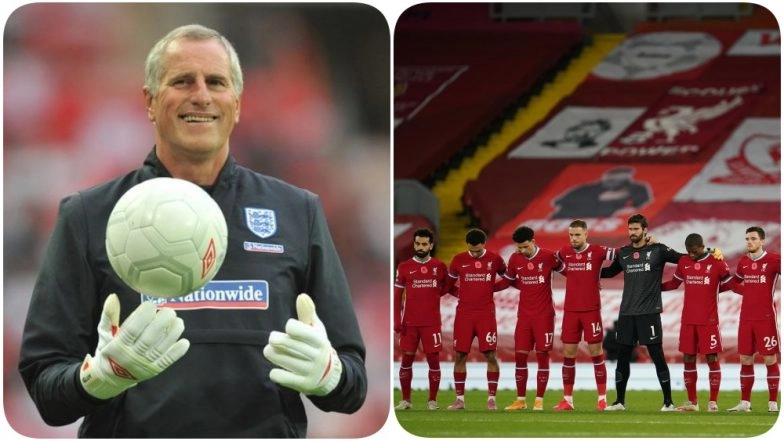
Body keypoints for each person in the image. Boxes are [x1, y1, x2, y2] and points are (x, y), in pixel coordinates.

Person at [16, 24, 367, 438]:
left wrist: (329, 375)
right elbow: (45, 388)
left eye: (216, 82)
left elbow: (353, 385)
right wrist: (98, 379)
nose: (200, 95)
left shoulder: (296, 211)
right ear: (149, 101)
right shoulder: (88, 216)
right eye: (182, 81)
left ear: (236, 104)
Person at [600, 213, 722, 412]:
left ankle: (668, 403)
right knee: (622, 357)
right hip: (627, 312)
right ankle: (619, 402)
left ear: (645, 230)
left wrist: (710, 251)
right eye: (630, 229)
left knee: (657, 356)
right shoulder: (624, 253)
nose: (632, 233)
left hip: (649, 312)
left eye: (636, 229)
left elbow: (685, 257)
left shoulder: (658, 250)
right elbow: (609, 272)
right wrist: (588, 272)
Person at [661, 233, 733, 412]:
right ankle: (692, 402)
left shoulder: (717, 262)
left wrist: (750, 289)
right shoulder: (684, 262)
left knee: (711, 358)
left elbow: (730, 284)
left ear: (702, 247)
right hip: (688, 320)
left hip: (708, 321)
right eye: (688, 252)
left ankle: (713, 402)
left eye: (694, 252)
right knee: (688, 358)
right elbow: (673, 284)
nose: (691, 255)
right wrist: (654, 287)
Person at [495, 226, 564, 411]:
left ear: (533, 241)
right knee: (520, 357)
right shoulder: (515, 258)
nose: (522, 251)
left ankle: (539, 400)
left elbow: (570, 273)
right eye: (519, 247)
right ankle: (521, 400)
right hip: (524, 316)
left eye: (525, 246)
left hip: (544, 316)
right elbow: (507, 281)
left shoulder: (549, 257)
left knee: (543, 356)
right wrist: (486, 288)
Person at [552, 219, 616, 411]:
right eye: (571, 235)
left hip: (591, 310)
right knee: (568, 354)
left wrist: (598, 275)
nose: (574, 238)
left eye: (577, 234)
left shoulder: (597, 251)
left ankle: (602, 399)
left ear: (586, 234)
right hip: (570, 311)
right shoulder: (564, 252)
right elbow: (549, 261)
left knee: (596, 352)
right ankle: (568, 400)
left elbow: (623, 253)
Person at [444, 228, 507, 410]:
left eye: (478, 250)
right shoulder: (458, 260)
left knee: (490, 355)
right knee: (460, 355)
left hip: (486, 315)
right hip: (464, 314)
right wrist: (461, 294)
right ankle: (459, 400)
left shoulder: (495, 259)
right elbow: (448, 285)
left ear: (484, 245)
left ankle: (492, 399)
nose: (475, 253)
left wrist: (492, 289)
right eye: (472, 250)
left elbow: (509, 278)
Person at [725, 226, 781, 413]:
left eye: (753, 239)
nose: (749, 241)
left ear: (762, 241)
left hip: (766, 318)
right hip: (746, 318)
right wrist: (744, 290)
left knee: (769, 358)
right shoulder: (743, 262)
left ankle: (773, 403)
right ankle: (745, 403)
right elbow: (734, 283)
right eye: (747, 238)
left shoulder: (774, 260)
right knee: (745, 358)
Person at [393, 228, 449, 411]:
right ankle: (406, 400)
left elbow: (447, 288)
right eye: (418, 243)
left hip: (431, 323)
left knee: (433, 361)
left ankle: (432, 401)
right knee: (406, 360)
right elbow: (397, 296)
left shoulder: (440, 267)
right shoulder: (404, 266)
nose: (421, 247)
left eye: (424, 244)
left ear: (431, 245)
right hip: (409, 323)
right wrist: (396, 320)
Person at [550, 166, 651, 219]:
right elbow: (559, 202)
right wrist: (598, 198)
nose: (615, 178)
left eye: (620, 175)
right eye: (612, 175)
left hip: (606, 222)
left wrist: (624, 202)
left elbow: (641, 202)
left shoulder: (637, 188)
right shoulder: (586, 189)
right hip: (568, 219)